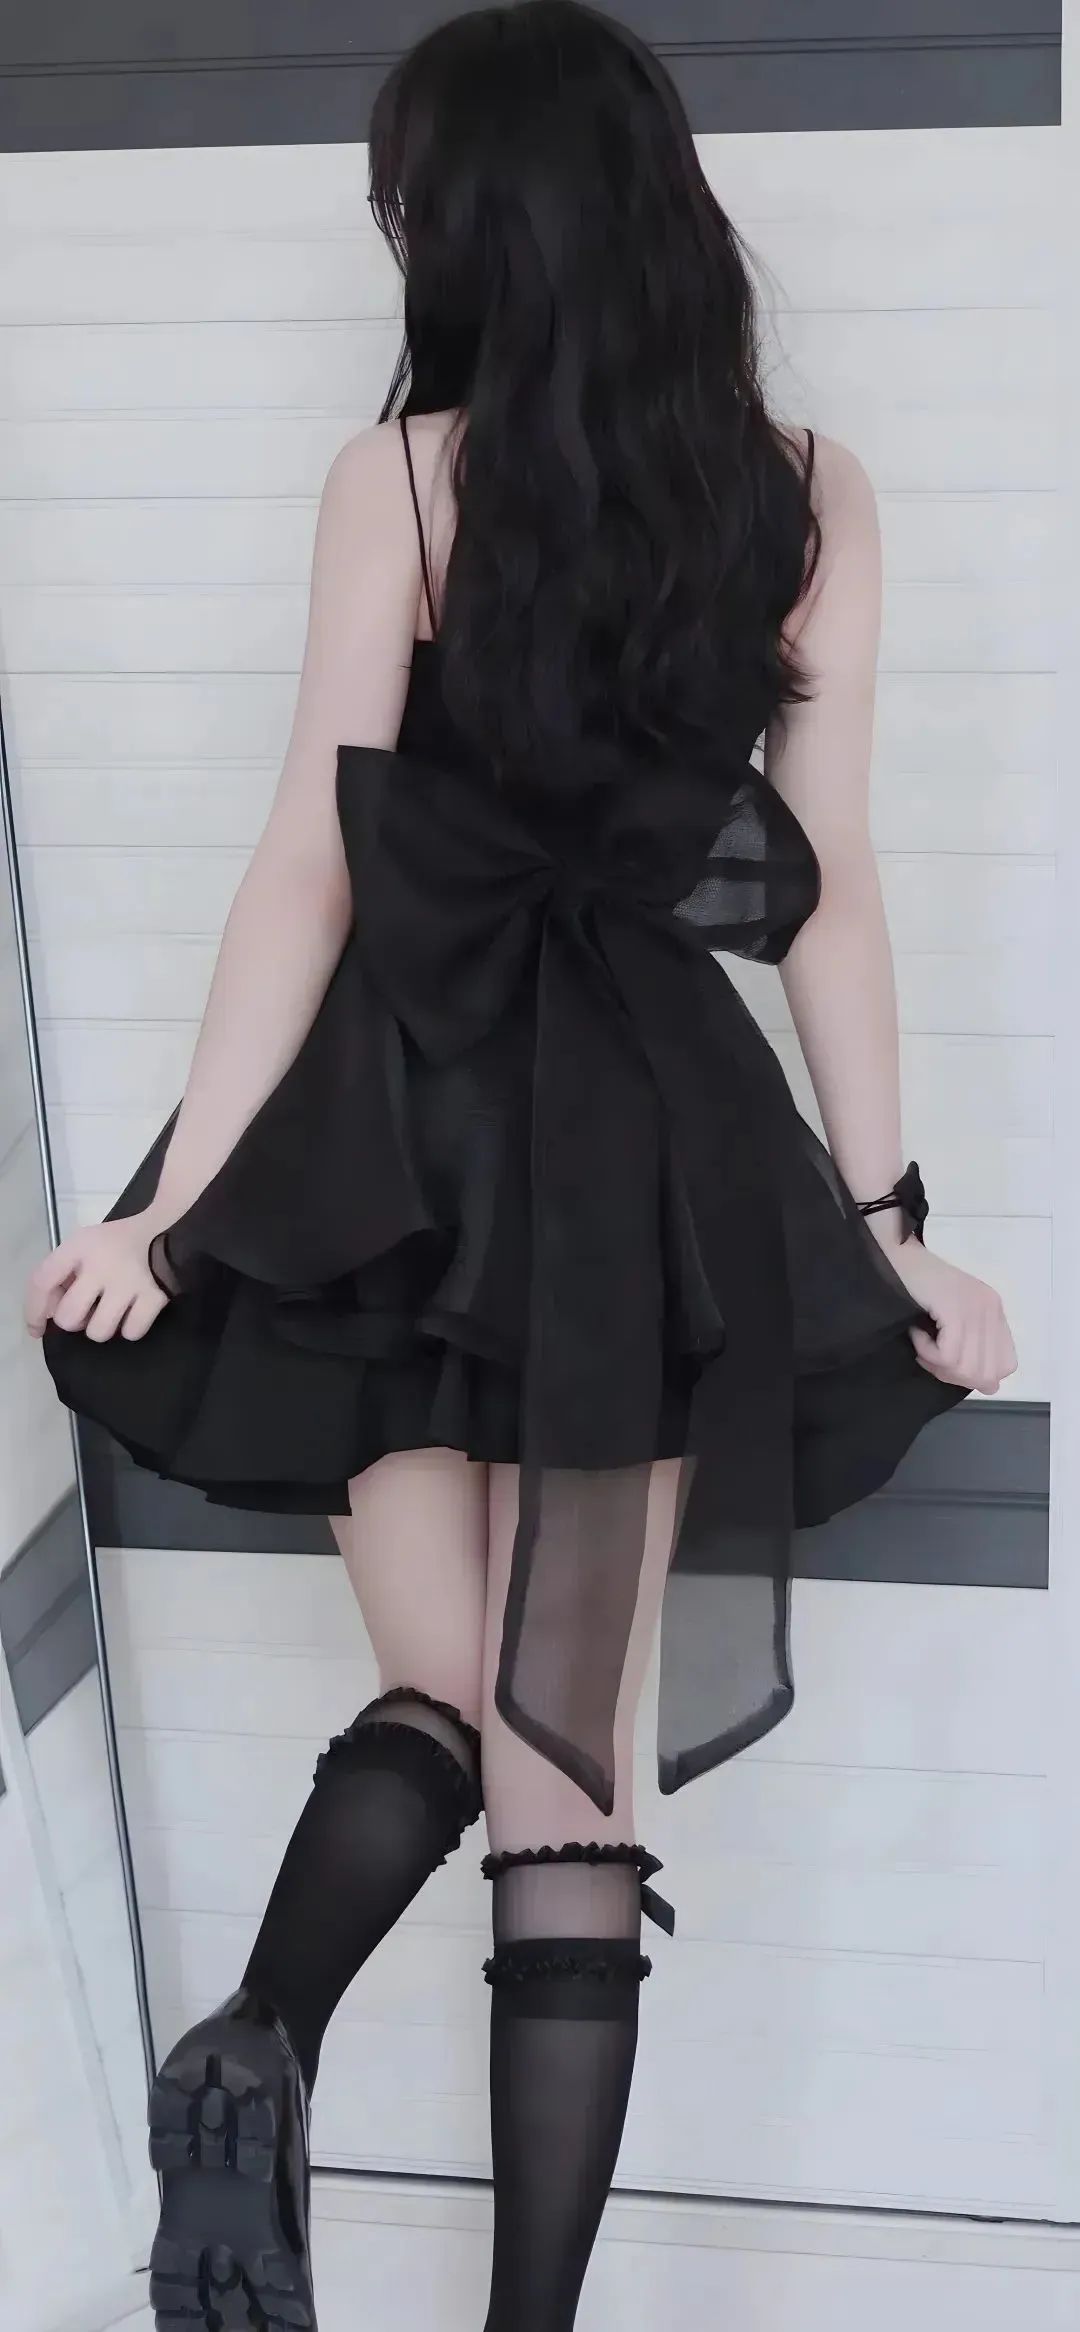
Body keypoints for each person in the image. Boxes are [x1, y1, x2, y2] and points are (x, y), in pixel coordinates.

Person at [24, 5, 1017, 2327]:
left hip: (390, 1129)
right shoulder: (809, 494)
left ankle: (251, 2035)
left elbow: (313, 860)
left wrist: (182, 1200)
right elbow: (821, 886)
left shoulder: (402, 477)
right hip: (643, 1163)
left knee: (446, 1699)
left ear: (478, 226)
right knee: (563, 1763)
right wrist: (887, 1220)